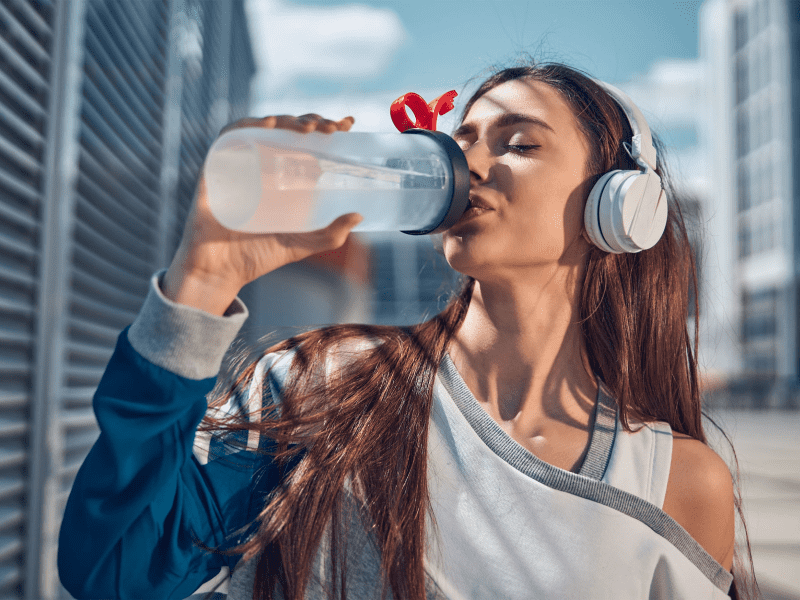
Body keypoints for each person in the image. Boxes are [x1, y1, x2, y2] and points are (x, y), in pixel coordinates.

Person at [57, 62, 759, 600]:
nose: (469, 166)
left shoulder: (679, 481)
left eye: (517, 143)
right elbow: (117, 567)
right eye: (461, 142)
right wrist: (202, 283)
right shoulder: (323, 386)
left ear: (619, 205)